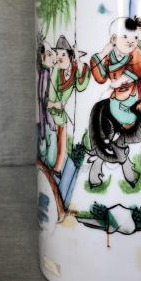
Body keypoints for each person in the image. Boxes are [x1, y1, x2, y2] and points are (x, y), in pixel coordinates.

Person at [90, 17, 141, 133]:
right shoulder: (110, 56)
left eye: (135, 37)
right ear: (114, 38)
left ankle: (131, 120)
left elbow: (137, 70)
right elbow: (101, 78)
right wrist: (103, 52)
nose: (131, 41)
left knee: (115, 107)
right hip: (118, 91)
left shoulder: (136, 52)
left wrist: (119, 82)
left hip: (132, 89)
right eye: (125, 37)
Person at [48, 36, 90, 177]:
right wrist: (55, 104)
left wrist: (78, 60)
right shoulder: (56, 70)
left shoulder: (74, 70)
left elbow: (81, 86)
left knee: (63, 136)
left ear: (71, 56)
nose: (59, 58)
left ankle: (58, 169)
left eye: (63, 54)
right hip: (53, 109)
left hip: (61, 112)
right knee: (59, 136)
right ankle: (56, 168)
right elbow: (51, 94)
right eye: (57, 54)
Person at [37, 38, 57, 168]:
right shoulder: (44, 73)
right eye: (49, 54)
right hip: (46, 116)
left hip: (45, 117)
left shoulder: (46, 73)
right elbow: (43, 98)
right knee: (50, 136)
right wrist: (54, 104)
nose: (53, 57)